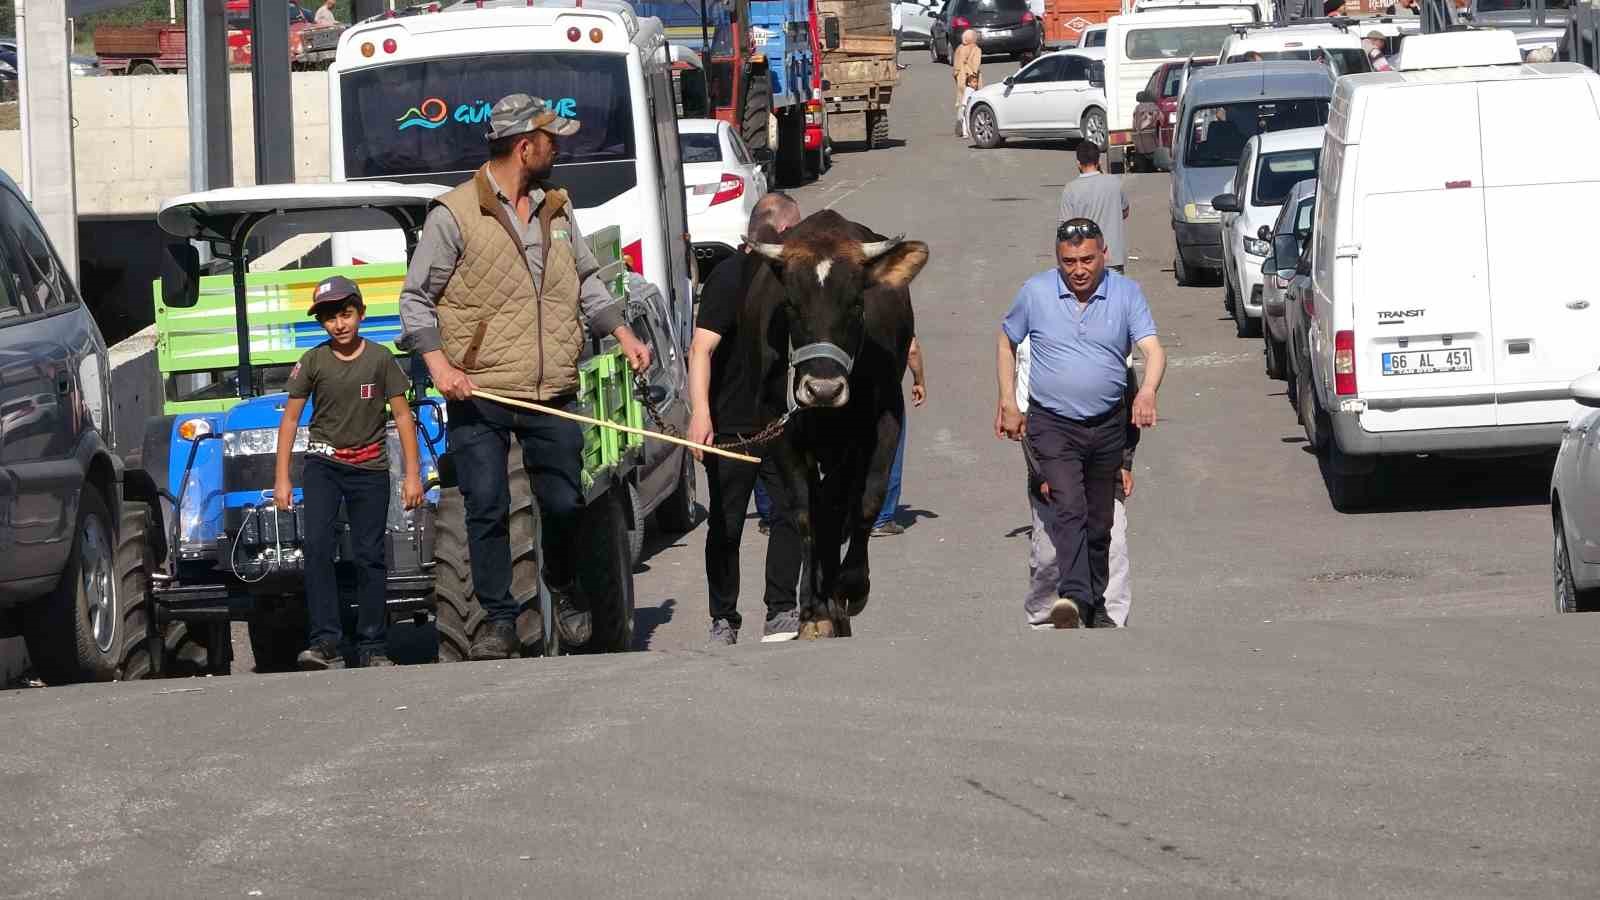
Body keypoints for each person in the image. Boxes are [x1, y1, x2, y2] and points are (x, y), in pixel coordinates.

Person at [398, 94, 653, 660]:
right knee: (485, 505)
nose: (557, 147)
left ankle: (562, 590)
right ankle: (497, 619)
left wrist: (623, 333)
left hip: (550, 389)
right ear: (524, 145)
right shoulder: (454, 215)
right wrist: (439, 364)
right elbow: (416, 301)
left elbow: (586, 280)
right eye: (550, 138)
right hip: (481, 388)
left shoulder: (557, 209)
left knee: (564, 502)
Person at [996, 218, 1166, 629]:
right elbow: (1007, 341)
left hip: (1107, 425)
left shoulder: (1127, 294)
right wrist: (1007, 400)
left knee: (1100, 520)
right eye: (1068, 261)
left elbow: (1153, 350)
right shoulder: (1036, 292)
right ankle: (1073, 598)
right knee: (1068, 506)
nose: (1078, 269)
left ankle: (1096, 606)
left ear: (1104, 255)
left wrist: (1146, 392)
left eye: (1087, 259)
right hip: (1053, 423)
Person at [275, 276, 425, 669]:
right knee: (319, 548)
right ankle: (325, 642)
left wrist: (413, 474)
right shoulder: (312, 361)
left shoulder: (379, 359)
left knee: (369, 555)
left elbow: (404, 417)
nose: (339, 325)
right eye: (329, 318)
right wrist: (282, 478)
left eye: (345, 314)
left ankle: (373, 644)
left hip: (370, 469)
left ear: (360, 313)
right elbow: (290, 421)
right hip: (323, 466)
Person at [687, 193, 806, 645]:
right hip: (729, 428)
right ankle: (724, 617)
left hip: (777, 424)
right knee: (727, 524)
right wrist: (701, 415)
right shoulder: (729, 277)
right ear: (778, 233)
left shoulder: (788, 278)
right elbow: (701, 348)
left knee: (794, 513)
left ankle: (781, 610)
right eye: (796, 230)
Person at [1019, 340, 1141, 628]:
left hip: (1104, 464)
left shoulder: (1114, 341)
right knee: (1050, 553)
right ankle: (1046, 619)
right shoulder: (1034, 348)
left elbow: (1129, 408)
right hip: (1052, 466)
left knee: (1114, 544)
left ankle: (1108, 617)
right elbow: (1027, 420)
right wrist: (1041, 474)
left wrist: (1125, 463)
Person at [872, 336, 926, 537]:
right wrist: (919, 381)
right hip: (886, 392)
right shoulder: (893, 309)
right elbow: (911, 349)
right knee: (890, 452)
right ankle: (882, 518)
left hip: (853, 392)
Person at [1058, 142, 1129, 273]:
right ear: (1099, 161)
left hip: (1085, 259)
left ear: (1078, 163)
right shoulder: (1114, 183)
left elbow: (1065, 227)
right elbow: (1125, 212)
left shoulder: (1071, 189)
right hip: (1113, 257)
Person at [953, 30, 983, 135]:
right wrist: (974, 77)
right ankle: (973, 126)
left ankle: (960, 123)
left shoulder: (959, 48)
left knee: (962, 101)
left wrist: (957, 75)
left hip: (961, 78)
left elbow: (955, 66)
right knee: (975, 101)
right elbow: (976, 66)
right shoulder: (976, 50)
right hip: (971, 80)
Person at [958, 73, 980, 139]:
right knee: (966, 120)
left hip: (965, 106)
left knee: (966, 119)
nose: (976, 84)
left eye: (976, 82)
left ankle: (966, 133)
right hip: (965, 106)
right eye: (974, 82)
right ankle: (967, 133)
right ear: (969, 83)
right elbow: (967, 100)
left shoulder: (969, 89)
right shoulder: (969, 90)